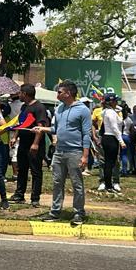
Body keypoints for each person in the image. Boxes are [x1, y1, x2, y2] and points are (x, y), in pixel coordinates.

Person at [39, 80, 92, 225]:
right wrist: (43, 129)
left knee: (77, 184)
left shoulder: (83, 110)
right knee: (57, 182)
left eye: (59, 92)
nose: (57, 94)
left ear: (68, 93)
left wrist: (85, 155)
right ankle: (55, 211)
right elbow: (56, 129)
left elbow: (86, 134)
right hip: (59, 151)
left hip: (75, 151)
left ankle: (79, 213)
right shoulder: (60, 109)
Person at [98, 93, 124, 194]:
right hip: (111, 137)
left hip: (107, 137)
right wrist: (121, 141)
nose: (117, 103)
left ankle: (108, 183)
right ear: (112, 102)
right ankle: (108, 185)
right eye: (115, 101)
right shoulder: (111, 113)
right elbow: (114, 127)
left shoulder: (106, 111)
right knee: (110, 162)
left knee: (109, 162)